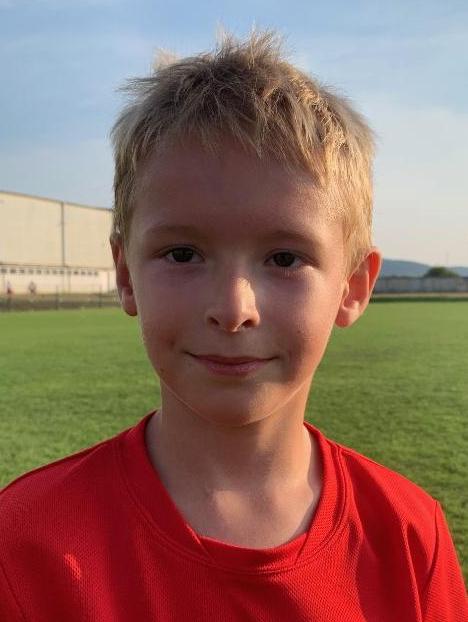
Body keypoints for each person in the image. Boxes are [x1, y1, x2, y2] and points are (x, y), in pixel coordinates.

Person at [0, 31, 466, 621]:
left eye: (284, 259)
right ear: (125, 273)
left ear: (352, 286)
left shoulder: (409, 535)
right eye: (183, 253)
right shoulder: (23, 544)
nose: (233, 307)